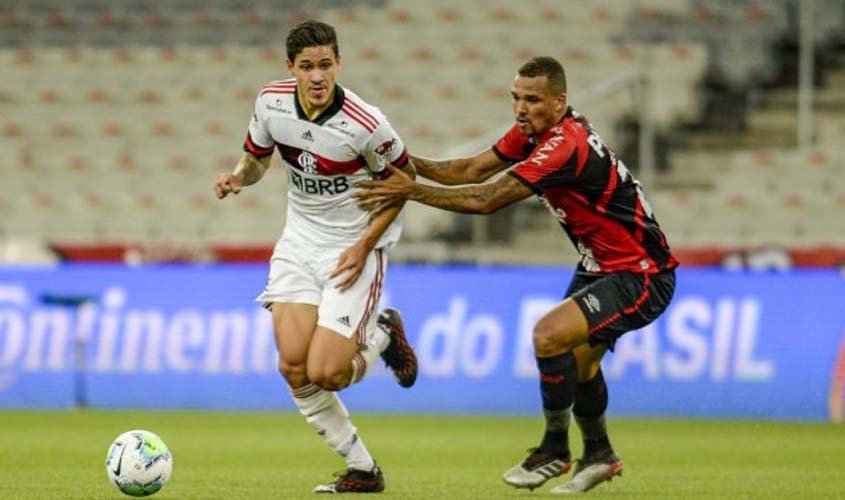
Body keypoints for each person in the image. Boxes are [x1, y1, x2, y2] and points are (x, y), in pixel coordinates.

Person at [355, 56, 677, 494]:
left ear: (559, 102)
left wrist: (411, 190)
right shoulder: (535, 133)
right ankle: (599, 454)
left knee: (548, 336)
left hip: (641, 273)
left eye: (533, 100)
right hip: (599, 265)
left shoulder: (565, 145)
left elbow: (484, 199)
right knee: (580, 362)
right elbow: (470, 170)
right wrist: (404, 162)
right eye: (516, 98)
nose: (521, 108)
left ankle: (554, 450)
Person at [213, 20, 418, 494]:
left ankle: (383, 335)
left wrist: (364, 246)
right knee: (293, 366)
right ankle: (364, 470)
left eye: (326, 64)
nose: (318, 75)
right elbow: (258, 158)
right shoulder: (271, 103)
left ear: (339, 63)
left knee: (328, 372)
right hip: (299, 243)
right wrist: (239, 177)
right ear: (291, 67)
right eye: (307, 66)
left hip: (354, 246)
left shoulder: (367, 124)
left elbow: (405, 184)